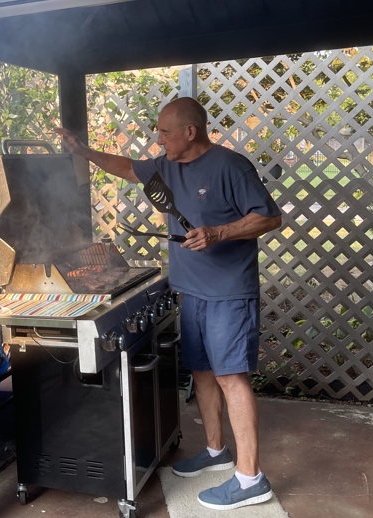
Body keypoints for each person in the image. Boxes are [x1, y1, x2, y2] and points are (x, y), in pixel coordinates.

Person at [55, 96, 282, 511]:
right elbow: (127, 167)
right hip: (192, 292)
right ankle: (216, 452)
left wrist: (218, 232)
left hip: (228, 294)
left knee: (232, 378)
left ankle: (251, 479)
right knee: (203, 373)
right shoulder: (165, 166)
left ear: (190, 132)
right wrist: (84, 152)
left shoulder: (232, 166)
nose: (158, 139)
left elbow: (269, 217)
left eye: (164, 132)